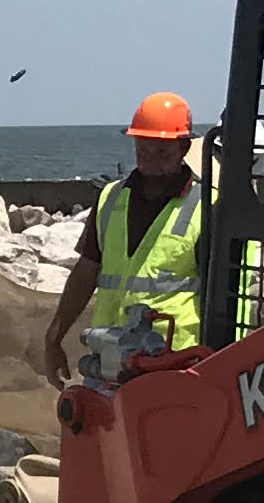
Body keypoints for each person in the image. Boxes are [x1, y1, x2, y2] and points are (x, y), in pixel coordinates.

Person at [44, 91, 211, 384]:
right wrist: (54, 337)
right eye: (143, 149)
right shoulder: (111, 199)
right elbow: (85, 272)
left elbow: (228, 296)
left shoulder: (205, 208)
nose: (150, 160)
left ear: (184, 147)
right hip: (109, 358)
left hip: (173, 364)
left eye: (162, 152)